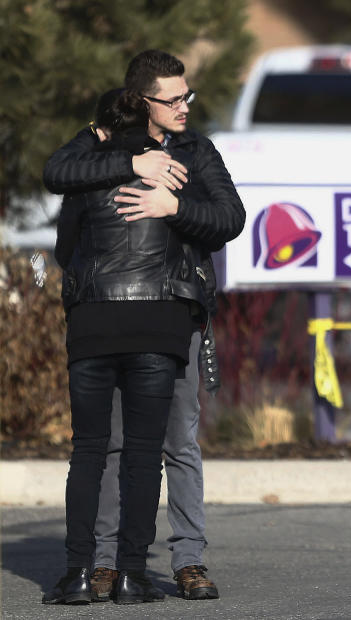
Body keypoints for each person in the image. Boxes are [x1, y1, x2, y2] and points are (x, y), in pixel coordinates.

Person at [42, 49, 245, 601]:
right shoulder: (105, 144)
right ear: (142, 101)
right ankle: (104, 562)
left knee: (178, 441)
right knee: (108, 444)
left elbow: (231, 219)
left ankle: (188, 559)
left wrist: (170, 206)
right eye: (172, 99)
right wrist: (130, 165)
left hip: (177, 311)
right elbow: (58, 176)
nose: (184, 106)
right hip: (116, 314)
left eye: (188, 96)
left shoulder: (198, 152)